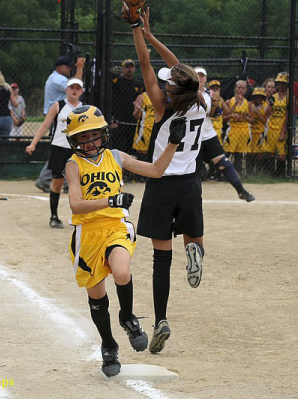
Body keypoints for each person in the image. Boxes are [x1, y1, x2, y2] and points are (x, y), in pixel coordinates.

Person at [64, 105, 186, 377]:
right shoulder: (74, 165)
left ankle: (128, 317)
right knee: (97, 297)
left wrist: (173, 143)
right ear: (74, 141)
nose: (90, 141)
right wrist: (110, 200)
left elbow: (156, 170)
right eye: (82, 137)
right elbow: (75, 204)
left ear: (103, 134)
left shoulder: (116, 156)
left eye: (93, 135)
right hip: (87, 235)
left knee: (121, 271)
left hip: (116, 227)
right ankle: (108, 344)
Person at [131, 8, 206, 354]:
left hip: (161, 185)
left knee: (161, 258)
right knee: (194, 236)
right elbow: (179, 69)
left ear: (173, 88)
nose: (163, 81)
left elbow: (146, 64)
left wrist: (137, 30)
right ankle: (196, 251)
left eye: (168, 81)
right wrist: (153, 35)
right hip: (190, 183)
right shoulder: (201, 103)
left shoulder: (163, 107)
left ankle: (161, 319)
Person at [25, 78, 84, 228]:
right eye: (72, 87)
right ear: (67, 90)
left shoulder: (85, 109)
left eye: (78, 88)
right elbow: (45, 125)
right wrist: (33, 143)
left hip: (76, 150)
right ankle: (54, 216)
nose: (74, 90)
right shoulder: (59, 106)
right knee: (57, 182)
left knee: (78, 184)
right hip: (59, 147)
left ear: (82, 91)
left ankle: (79, 216)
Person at [196, 67, 255, 201]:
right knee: (193, 170)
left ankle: (241, 190)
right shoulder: (186, 94)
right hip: (193, 136)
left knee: (223, 162)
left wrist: (215, 103)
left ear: (205, 79)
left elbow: (216, 114)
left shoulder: (210, 94)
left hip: (208, 134)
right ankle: (190, 198)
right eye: (197, 75)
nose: (200, 78)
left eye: (202, 76)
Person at [35, 56, 86, 193]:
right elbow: (75, 84)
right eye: (67, 66)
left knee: (66, 148)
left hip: (65, 115)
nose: (70, 69)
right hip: (59, 116)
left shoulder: (56, 78)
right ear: (59, 68)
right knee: (61, 148)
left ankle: (65, 182)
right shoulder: (57, 78)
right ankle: (45, 179)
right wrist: (80, 68)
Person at [110, 59, 145, 153]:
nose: (129, 69)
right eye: (127, 67)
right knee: (119, 148)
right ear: (122, 69)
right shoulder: (117, 81)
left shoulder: (138, 84)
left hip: (134, 122)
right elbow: (110, 81)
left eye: (131, 67)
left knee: (132, 150)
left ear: (134, 69)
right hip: (120, 121)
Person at [222, 80, 253, 175]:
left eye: (243, 88)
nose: (240, 90)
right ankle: (222, 172)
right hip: (233, 129)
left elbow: (252, 120)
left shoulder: (248, 104)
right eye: (239, 87)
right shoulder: (229, 102)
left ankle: (237, 173)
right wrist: (231, 116)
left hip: (244, 130)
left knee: (239, 153)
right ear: (235, 88)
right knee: (227, 152)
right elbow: (223, 118)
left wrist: (245, 117)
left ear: (246, 90)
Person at [263, 72, 290, 177]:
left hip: (281, 128)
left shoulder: (289, 98)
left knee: (282, 155)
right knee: (271, 152)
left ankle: (281, 173)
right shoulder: (273, 97)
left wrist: (283, 131)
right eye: (279, 84)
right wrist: (270, 104)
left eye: (283, 84)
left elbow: (288, 115)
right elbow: (266, 113)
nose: (281, 86)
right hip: (272, 127)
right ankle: (271, 174)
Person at [248, 87, 269, 174]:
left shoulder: (265, 107)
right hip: (251, 132)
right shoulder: (250, 106)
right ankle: (250, 171)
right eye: (256, 97)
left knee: (259, 153)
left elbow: (265, 121)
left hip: (260, 132)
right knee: (250, 152)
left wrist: (257, 112)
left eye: (260, 97)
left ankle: (259, 171)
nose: (258, 99)